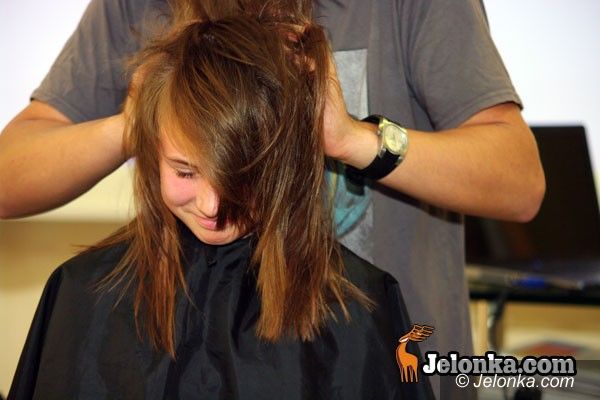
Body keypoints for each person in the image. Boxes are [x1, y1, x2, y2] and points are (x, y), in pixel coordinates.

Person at [0, 0, 545, 398]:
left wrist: (352, 139)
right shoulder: (134, 8)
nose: (212, 206)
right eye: (186, 170)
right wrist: (144, 121)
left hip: (384, 358)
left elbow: (520, 184)